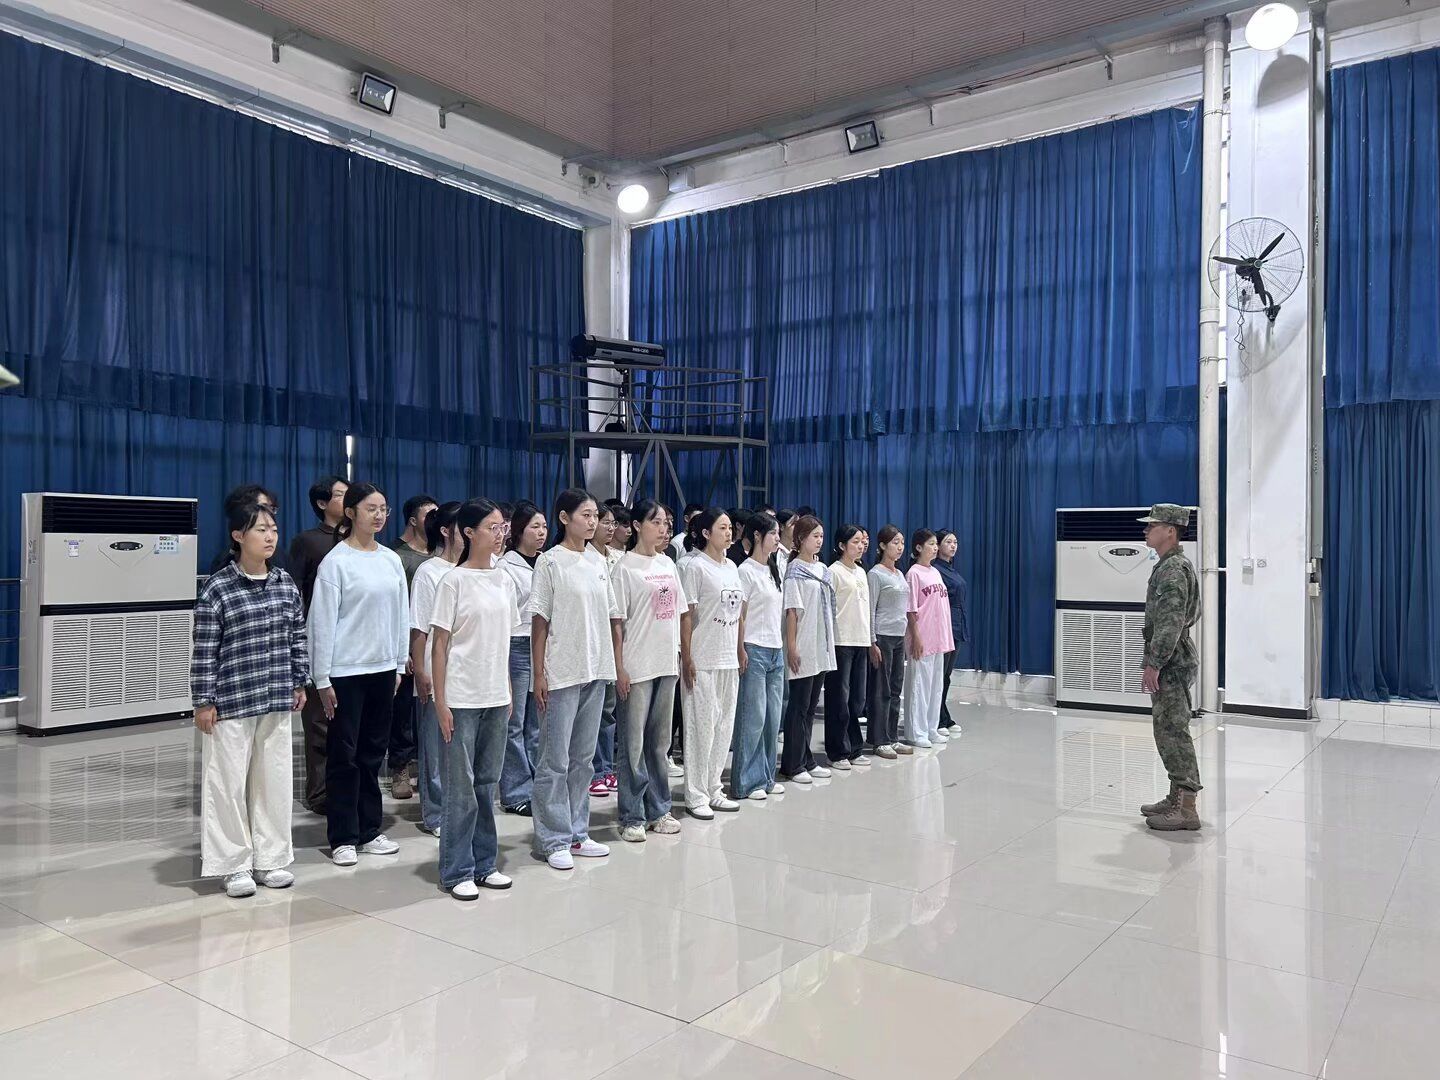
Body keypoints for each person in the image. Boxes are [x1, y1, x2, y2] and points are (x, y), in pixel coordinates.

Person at [191, 501, 308, 898]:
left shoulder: (284, 583)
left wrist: (300, 680)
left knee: (274, 781)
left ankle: (271, 858)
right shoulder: (219, 587)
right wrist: (203, 700)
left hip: (275, 696)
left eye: (273, 529)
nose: (270, 536)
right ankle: (233, 864)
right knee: (226, 784)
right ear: (238, 536)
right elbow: (205, 649)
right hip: (231, 700)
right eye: (260, 529)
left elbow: (297, 636)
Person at [308, 483, 410, 866]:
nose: (379, 515)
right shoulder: (336, 562)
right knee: (344, 755)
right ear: (350, 513)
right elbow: (321, 623)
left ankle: (369, 829)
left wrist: (399, 665)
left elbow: (401, 614)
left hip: (383, 670)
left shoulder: (390, 560)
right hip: (345, 672)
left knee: (372, 753)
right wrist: (322, 678)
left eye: (383, 508)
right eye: (371, 508)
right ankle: (343, 836)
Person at [431, 499, 519, 898]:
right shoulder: (453, 581)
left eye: (502, 527)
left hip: (495, 694)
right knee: (461, 787)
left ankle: (485, 863)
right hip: (462, 696)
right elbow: (439, 645)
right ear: (468, 533)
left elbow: (504, 642)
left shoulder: (504, 580)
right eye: (492, 527)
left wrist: (508, 689)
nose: (500, 534)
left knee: (486, 783)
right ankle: (457, 870)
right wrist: (441, 701)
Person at [529, 488, 621, 870]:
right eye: (586, 515)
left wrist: (614, 666)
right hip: (561, 672)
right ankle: (553, 838)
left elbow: (612, 617)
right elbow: (539, 621)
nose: (593, 521)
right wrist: (539, 673)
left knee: (583, 759)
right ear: (564, 518)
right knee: (555, 760)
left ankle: (578, 832)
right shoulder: (550, 562)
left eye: (595, 515)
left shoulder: (599, 563)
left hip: (595, 669)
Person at [609, 498, 688, 841]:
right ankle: (632, 815)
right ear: (637, 526)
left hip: (665, 662)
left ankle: (659, 809)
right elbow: (616, 623)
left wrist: (680, 656)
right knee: (633, 744)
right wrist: (620, 668)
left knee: (659, 743)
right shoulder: (624, 568)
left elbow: (679, 613)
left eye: (666, 523)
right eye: (655, 522)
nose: (663, 528)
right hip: (637, 664)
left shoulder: (668, 563)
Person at [1137, 504, 1203, 831]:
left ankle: (1186, 809)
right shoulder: (1170, 565)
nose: (1146, 530)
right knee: (1167, 729)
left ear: (1171, 531)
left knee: (1173, 732)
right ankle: (1176, 796)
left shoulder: (1174, 569)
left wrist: (1155, 663)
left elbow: (1171, 622)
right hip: (1173, 657)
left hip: (1171, 661)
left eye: (1153, 526)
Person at [678, 509, 746, 818]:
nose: (729, 533)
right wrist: (687, 656)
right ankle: (695, 795)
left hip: (727, 658)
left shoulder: (731, 566)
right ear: (706, 533)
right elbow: (687, 616)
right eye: (722, 528)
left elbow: (738, 613)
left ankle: (714, 788)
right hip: (702, 659)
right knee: (700, 728)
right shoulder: (695, 567)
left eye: (730, 528)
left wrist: (740, 648)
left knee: (723, 727)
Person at [288, 475, 348, 814]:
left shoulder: (358, 543)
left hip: (353, 644)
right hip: (318, 639)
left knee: (348, 723)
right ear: (323, 503)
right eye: (340, 495)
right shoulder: (308, 542)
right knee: (319, 723)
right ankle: (320, 792)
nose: (347, 499)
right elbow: (296, 591)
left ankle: (347, 788)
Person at [407, 501, 464, 837]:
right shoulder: (430, 572)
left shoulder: (478, 568)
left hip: (467, 671)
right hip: (434, 667)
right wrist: (421, 672)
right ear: (446, 531)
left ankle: (459, 808)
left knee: (459, 743)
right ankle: (436, 813)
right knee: (434, 743)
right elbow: (419, 628)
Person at [387, 494, 437, 800]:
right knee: (402, 712)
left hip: (435, 646)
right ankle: (400, 767)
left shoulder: (438, 555)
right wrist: (403, 649)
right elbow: (397, 608)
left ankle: (426, 766)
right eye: (428, 514)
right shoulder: (397, 556)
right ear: (412, 520)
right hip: (407, 646)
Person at [779, 515, 836, 783]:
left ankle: (806, 758)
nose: (819, 541)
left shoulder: (823, 569)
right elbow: (792, 611)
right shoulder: (795, 571)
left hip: (820, 644)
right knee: (798, 707)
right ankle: (792, 764)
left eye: (821, 536)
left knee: (811, 707)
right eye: (815, 536)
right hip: (803, 643)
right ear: (801, 538)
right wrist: (791, 646)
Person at [733, 513, 786, 799]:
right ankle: (748, 781)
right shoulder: (746, 571)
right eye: (773, 533)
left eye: (778, 533)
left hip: (775, 649)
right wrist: (740, 648)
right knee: (753, 718)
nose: (778, 538)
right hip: (753, 647)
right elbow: (740, 615)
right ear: (757, 535)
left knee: (771, 719)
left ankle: (766, 777)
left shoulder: (773, 569)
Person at [498, 502, 546, 816]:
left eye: (544, 526)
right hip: (516, 642)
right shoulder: (506, 566)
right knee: (514, 722)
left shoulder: (547, 561)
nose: (541, 532)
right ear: (518, 531)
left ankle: (538, 786)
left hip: (542, 644)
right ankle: (515, 791)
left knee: (538, 721)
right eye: (534, 527)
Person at [825, 524, 874, 769]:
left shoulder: (861, 572)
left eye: (862, 541)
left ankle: (855, 748)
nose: (861, 545)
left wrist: (870, 640)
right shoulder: (833, 571)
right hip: (841, 640)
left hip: (860, 640)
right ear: (841, 545)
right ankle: (837, 751)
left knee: (857, 699)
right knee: (839, 699)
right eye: (855, 542)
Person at [902, 529, 953, 749]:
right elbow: (910, 609)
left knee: (935, 686)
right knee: (919, 686)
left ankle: (931, 728)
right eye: (931, 544)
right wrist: (916, 636)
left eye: (935, 544)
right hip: (922, 637)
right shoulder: (914, 573)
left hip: (938, 637)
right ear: (918, 547)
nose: (935, 547)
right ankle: (917, 732)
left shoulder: (935, 572)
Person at [868, 525, 911, 759]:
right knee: (881, 690)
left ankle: (892, 736)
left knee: (895, 689)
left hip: (898, 637)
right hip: (882, 636)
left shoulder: (900, 574)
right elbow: (870, 609)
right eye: (895, 542)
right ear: (883, 545)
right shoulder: (876, 574)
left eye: (902, 542)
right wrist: (872, 641)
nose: (900, 547)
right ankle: (879, 739)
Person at [590, 504, 620, 798]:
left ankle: (607, 767)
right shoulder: (585, 558)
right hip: (593, 644)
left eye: (613, 523)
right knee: (594, 715)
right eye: (604, 522)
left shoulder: (617, 558)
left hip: (614, 643)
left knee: (609, 713)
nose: (610, 528)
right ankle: (595, 771)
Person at [933, 530, 971, 733]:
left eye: (955, 542)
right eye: (948, 542)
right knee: (940, 674)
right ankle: (938, 717)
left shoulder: (951, 569)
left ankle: (943, 714)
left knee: (946, 675)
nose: (953, 545)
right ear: (938, 545)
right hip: (945, 624)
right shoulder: (936, 570)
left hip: (957, 624)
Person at [205, 485, 285, 576]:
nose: (269, 513)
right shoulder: (222, 563)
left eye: (272, 508)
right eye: (263, 507)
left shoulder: (280, 557)